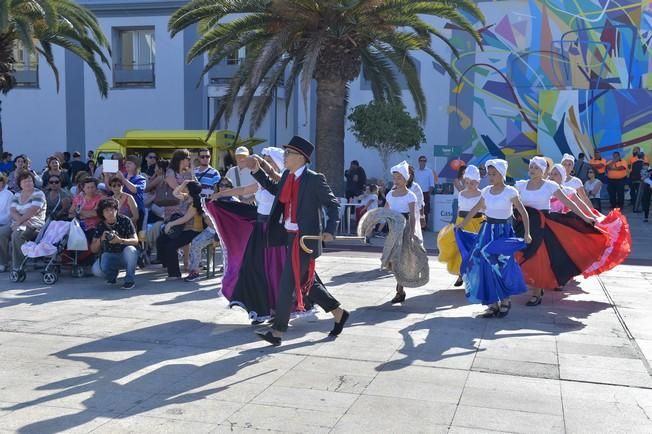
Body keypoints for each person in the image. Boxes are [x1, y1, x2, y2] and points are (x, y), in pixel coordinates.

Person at [248, 136, 348, 346]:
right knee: (306, 283)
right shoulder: (288, 175)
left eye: (288, 154)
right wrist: (258, 171)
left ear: (301, 158)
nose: (284, 157)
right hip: (289, 236)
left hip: (305, 240)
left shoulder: (314, 179)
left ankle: (277, 332)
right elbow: (276, 191)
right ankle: (338, 312)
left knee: (287, 284)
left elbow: (332, 205)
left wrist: (330, 230)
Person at [207, 147, 294, 321]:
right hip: (260, 229)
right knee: (254, 267)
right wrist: (220, 194)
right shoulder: (263, 181)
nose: (264, 163)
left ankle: (276, 307)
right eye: (264, 160)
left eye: (268, 160)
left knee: (274, 269)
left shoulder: (282, 183)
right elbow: (243, 190)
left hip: (274, 230)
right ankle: (261, 306)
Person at [513, 158, 603, 306]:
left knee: (538, 258)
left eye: (536, 167)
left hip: (542, 226)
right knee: (521, 257)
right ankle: (533, 286)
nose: (532, 169)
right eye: (531, 166)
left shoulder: (550, 185)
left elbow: (569, 202)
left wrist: (586, 217)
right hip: (524, 225)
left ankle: (537, 291)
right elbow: (511, 201)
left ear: (543, 171)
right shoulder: (521, 185)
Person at [455, 159, 531, 318]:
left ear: (502, 174)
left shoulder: (511, 192)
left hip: (503, 231)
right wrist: (462, 224)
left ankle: (505, 300)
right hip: (487, 230)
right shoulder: (486, 191)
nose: (490, 177)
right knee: (485, 265)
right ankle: (492, 304)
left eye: (494, 174)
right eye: (489, 174)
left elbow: (523, 213)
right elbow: (476, 208)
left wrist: (527, 233)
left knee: (502, 265)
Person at [437, 165, 484, 287]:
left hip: (476, 223)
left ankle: (473, 277)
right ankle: (460, 275)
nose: (469, 184)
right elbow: (459, 209)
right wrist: (457, 224)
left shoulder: (482, 194)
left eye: (473, 182)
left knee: (474, 250)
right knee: (460, 250)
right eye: (467, 182)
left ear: (478, 182)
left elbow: (485, 209)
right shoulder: (462, 193)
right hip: (461, 222)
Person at [383, 161, 421, 303]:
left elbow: (412, 215)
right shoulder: (390, 194)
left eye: (399, 178)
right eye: (395, 178)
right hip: (393, 229)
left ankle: (399, 291)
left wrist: (411, 233)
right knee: (392, 262)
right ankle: (400, 287)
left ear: (406, 179)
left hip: (404, 230)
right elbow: (385, 211)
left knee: (399, 261)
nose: (396, 181)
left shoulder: (411, 196)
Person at [156, 180, 203, 279]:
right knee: (162, 239)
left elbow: (185, 218)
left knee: (171, 246)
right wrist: (183, 184)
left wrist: (170, 224)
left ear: (189, 190)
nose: (184, 189)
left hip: (193, 231)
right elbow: (175, 193)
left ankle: (174, 274)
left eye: (186, 187)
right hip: (184, 228)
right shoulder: (187, 198)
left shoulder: (195, 203)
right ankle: (166, 264)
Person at [0, 172, 47, 270]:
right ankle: (3, 263)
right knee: (2, 232)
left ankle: (18, 266)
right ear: (20, 184)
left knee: (17, 234)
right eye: (25, 181)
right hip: (18, 222)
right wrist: (20, 221)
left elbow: (33, 210)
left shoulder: (39, 193)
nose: (28, 183)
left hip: (34, 224)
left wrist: (20, 221)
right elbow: (12, 211)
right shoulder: (17, 194)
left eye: (30, 180)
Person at [91, 197, 139, 289]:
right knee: (96, 270)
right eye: (106, 210)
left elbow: (135, 241)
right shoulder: (100, 225)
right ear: (102, 213)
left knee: (131, 250)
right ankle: (112, 275)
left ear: (117, 210)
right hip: (110, 254)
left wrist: (120, 240)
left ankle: (129, 280)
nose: (110, 213)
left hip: (125, 254)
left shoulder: (125, 220)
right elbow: (93, 249)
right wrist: (101, 239)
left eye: (112, 209)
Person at [106, 155, 146, 230]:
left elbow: (135, 190)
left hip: (137, 209)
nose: (127, 165)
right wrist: (106, 175)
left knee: (137, 232)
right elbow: (111, 188)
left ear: (136, 165)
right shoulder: (122, 175)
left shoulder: (141, 178)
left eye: (130, 163)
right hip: (122, 208)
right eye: (126, 163)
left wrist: (123, 179)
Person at [0, 174, 13, 271]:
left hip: (5, 222)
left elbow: (9, 214)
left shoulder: (9, 194)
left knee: (1, 233)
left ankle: (3, 262)